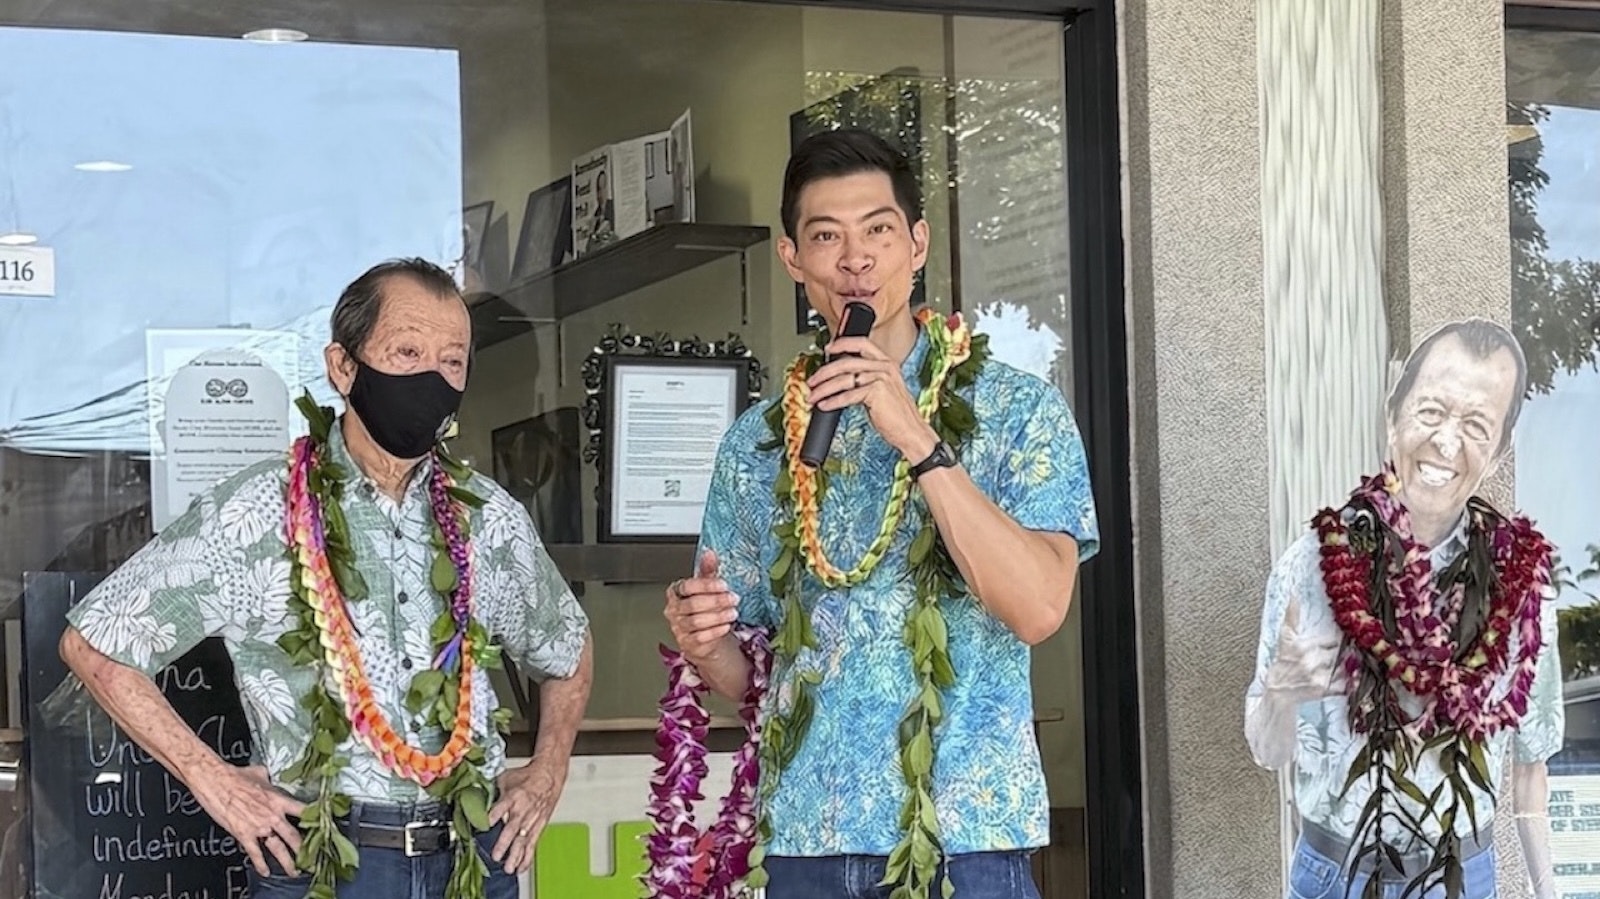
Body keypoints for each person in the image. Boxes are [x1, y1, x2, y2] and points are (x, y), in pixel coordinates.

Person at [59, 258, 593, 899]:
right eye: (406, 352)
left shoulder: (488, 518)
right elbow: (95, 645)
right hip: (323, 865)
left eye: (452, 361)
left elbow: (567, 648)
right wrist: (212, 780)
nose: (433, 376)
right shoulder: (255, 514)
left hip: (471, 860)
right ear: (343, 368)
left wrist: (548, 769)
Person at [660, 128, 1100, 899]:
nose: (854, 258)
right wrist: (706, 641)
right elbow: (755, 676)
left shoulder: (1018, 409)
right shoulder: (758, 441)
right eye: (826, 236)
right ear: (793, 259)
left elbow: (1038, 606)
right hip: (809, 836)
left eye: (878, 230)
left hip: (966, 833)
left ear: (917, 243)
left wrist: (917, 437)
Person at [1245, 318, 1563, 899]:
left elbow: (1528, 771)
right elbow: (1268, 751)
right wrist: (1284, 693)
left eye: (1475, 425)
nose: (1446, 442)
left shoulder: (1521, 586)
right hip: (1332, 875)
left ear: (1498, 452)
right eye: (1432, 411)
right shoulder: (1313, 566)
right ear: (1393, 413)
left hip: (1462, 879)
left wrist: (1549, 891)